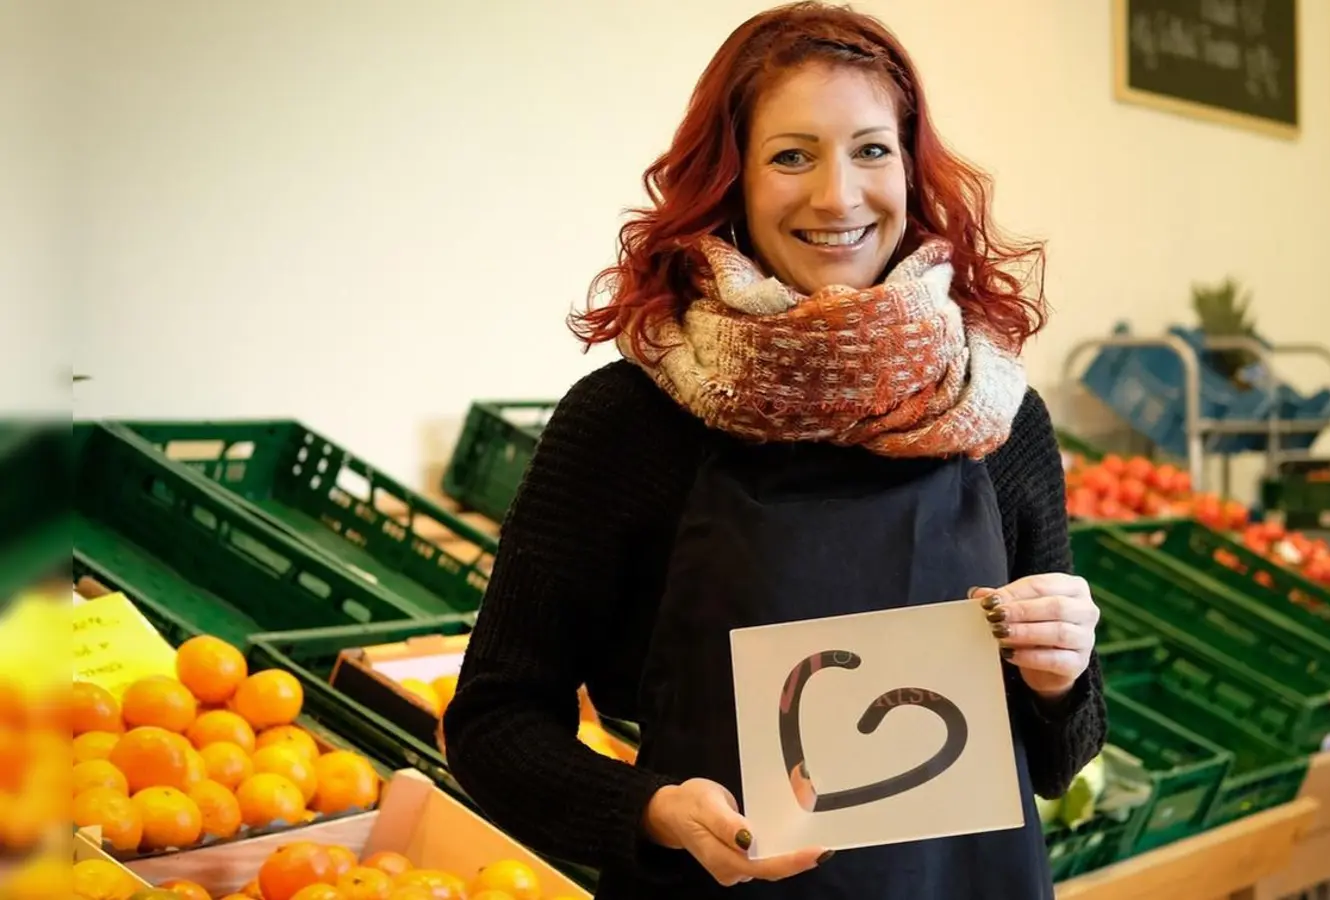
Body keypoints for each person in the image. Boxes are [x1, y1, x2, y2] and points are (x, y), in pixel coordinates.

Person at [442, 3, 1106, 897]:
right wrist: (650, 810)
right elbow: (493, 723)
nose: (837, 196)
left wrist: (1061, 678)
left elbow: (1061, 759)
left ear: (911, 171)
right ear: (732, 181)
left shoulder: (997, 416)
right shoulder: (627, 422)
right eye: (792, 155)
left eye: (871, 150)